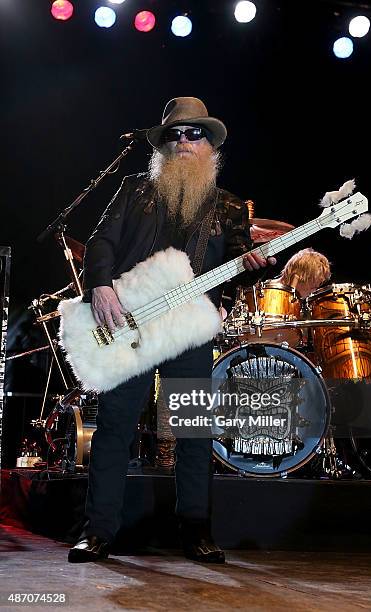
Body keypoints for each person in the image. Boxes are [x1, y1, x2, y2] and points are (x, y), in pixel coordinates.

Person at [68, 97, 274, 564]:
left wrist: (256, 267)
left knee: (194, 430)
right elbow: (101, 241)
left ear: (209, 144)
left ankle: (196, 530)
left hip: (191, 330)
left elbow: (241, 264)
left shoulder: (227, 206)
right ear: (162, 144)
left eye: (194, 133)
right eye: (175, 134)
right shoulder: (134, 189)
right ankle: (97, 531)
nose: (184, 141)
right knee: (115, 426)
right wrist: (100, 286)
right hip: (132, 324)